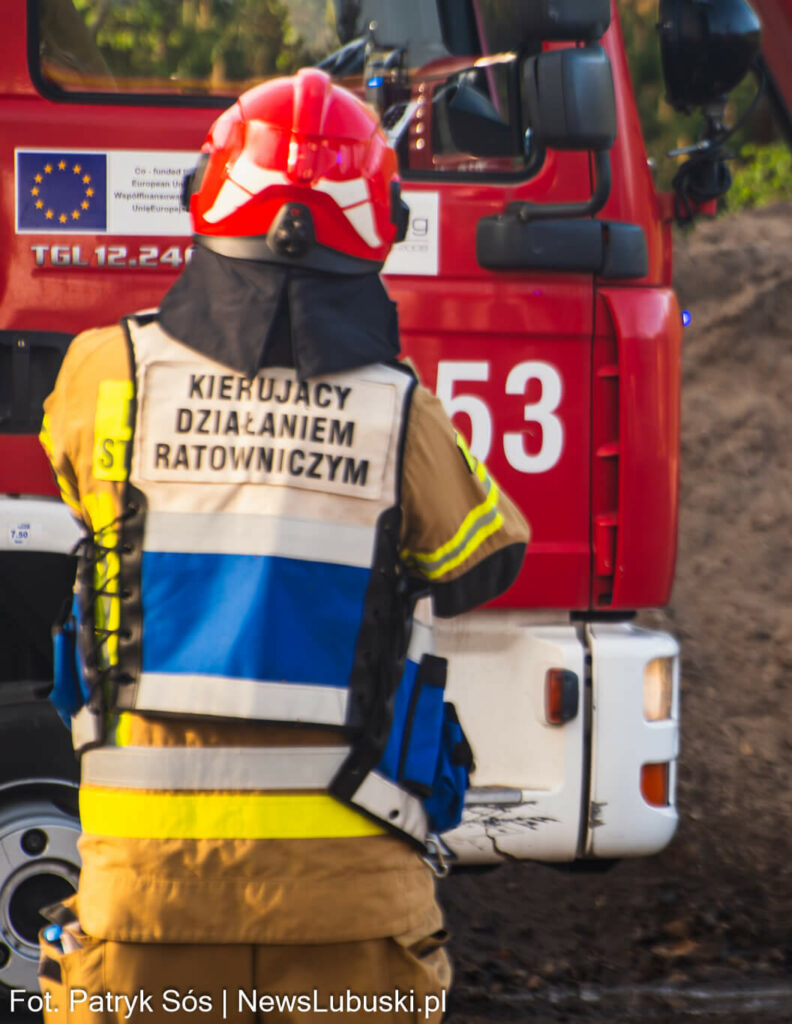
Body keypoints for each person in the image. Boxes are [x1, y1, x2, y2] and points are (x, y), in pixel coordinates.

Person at [37, 68, 528, 1022]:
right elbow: (483, 561)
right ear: (378, 221)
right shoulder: (403, 412)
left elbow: (80, 489)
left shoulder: (107, 370)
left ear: (208, 194)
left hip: (146, 912)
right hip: (358, 928)